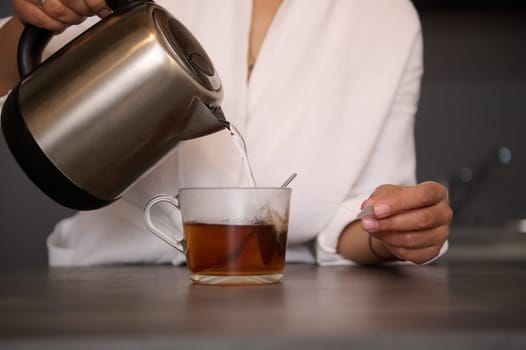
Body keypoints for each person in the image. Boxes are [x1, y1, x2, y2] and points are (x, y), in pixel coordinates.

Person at [0, 0, 452, 266]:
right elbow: (18, 76)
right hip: (108, 283)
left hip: (286, 300)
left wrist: (389, 231)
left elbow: (358, 213)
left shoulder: (388, 18)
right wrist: (35, 19)